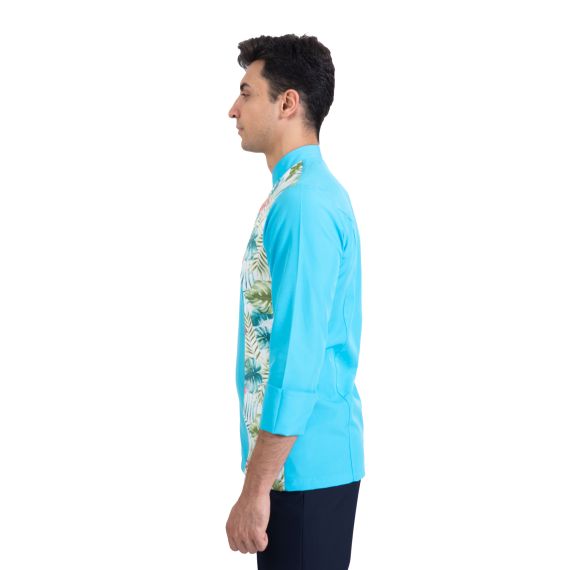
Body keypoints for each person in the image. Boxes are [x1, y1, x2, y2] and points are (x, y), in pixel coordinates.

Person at [225, 33, 365, 570]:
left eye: (247, 92)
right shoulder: (298, 192)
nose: (233, 109)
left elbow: (297, 357)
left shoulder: (303, 203)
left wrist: (255, 488)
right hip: (301, 466)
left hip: (302, 471)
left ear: (287, 102)